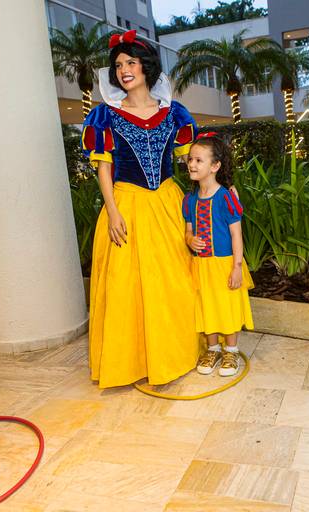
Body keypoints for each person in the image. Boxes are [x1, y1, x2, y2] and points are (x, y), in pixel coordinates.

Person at [82, 30, 199, 388]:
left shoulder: (174, 113)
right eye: (118, 65)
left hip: (167, 203)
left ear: (146, 67)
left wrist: (209, 199)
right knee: (126, 289)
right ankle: (130, 363)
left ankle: (173, 354)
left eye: (130, 62)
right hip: (126, 204)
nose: (124, 70)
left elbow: (192, 163)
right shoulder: (105, 115)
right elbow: (104, 168)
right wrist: (113, 212)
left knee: (173, 282)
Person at [183, 134, 253, 377]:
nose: (192, 164)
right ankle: (212, 349)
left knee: (226, 306)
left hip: (224, 264)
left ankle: (231, 351)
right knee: (207, 305)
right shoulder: (189, 199)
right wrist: (190, 240)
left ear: (215, 166)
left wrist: (236, 267)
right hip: (201, 266)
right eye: (190, 159)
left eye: (198, 160)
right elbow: (188, 231)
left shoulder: (226, 197)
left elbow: (236, 234)